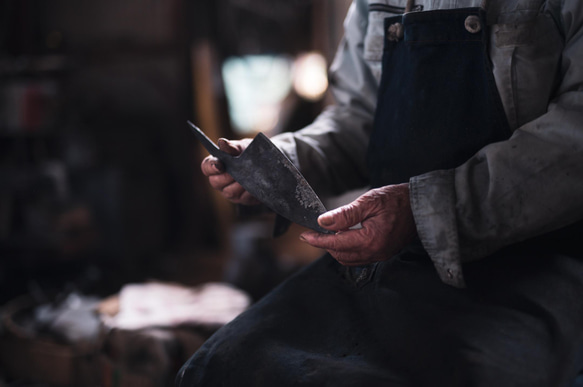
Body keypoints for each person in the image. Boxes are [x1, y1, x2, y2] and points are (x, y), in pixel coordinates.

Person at [177, 0, 583, 385]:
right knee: (216, 369)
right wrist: (279, 163)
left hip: (536, 268)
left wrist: (426, 212)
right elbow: (358, 119)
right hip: (389, 264)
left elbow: (574, 141)